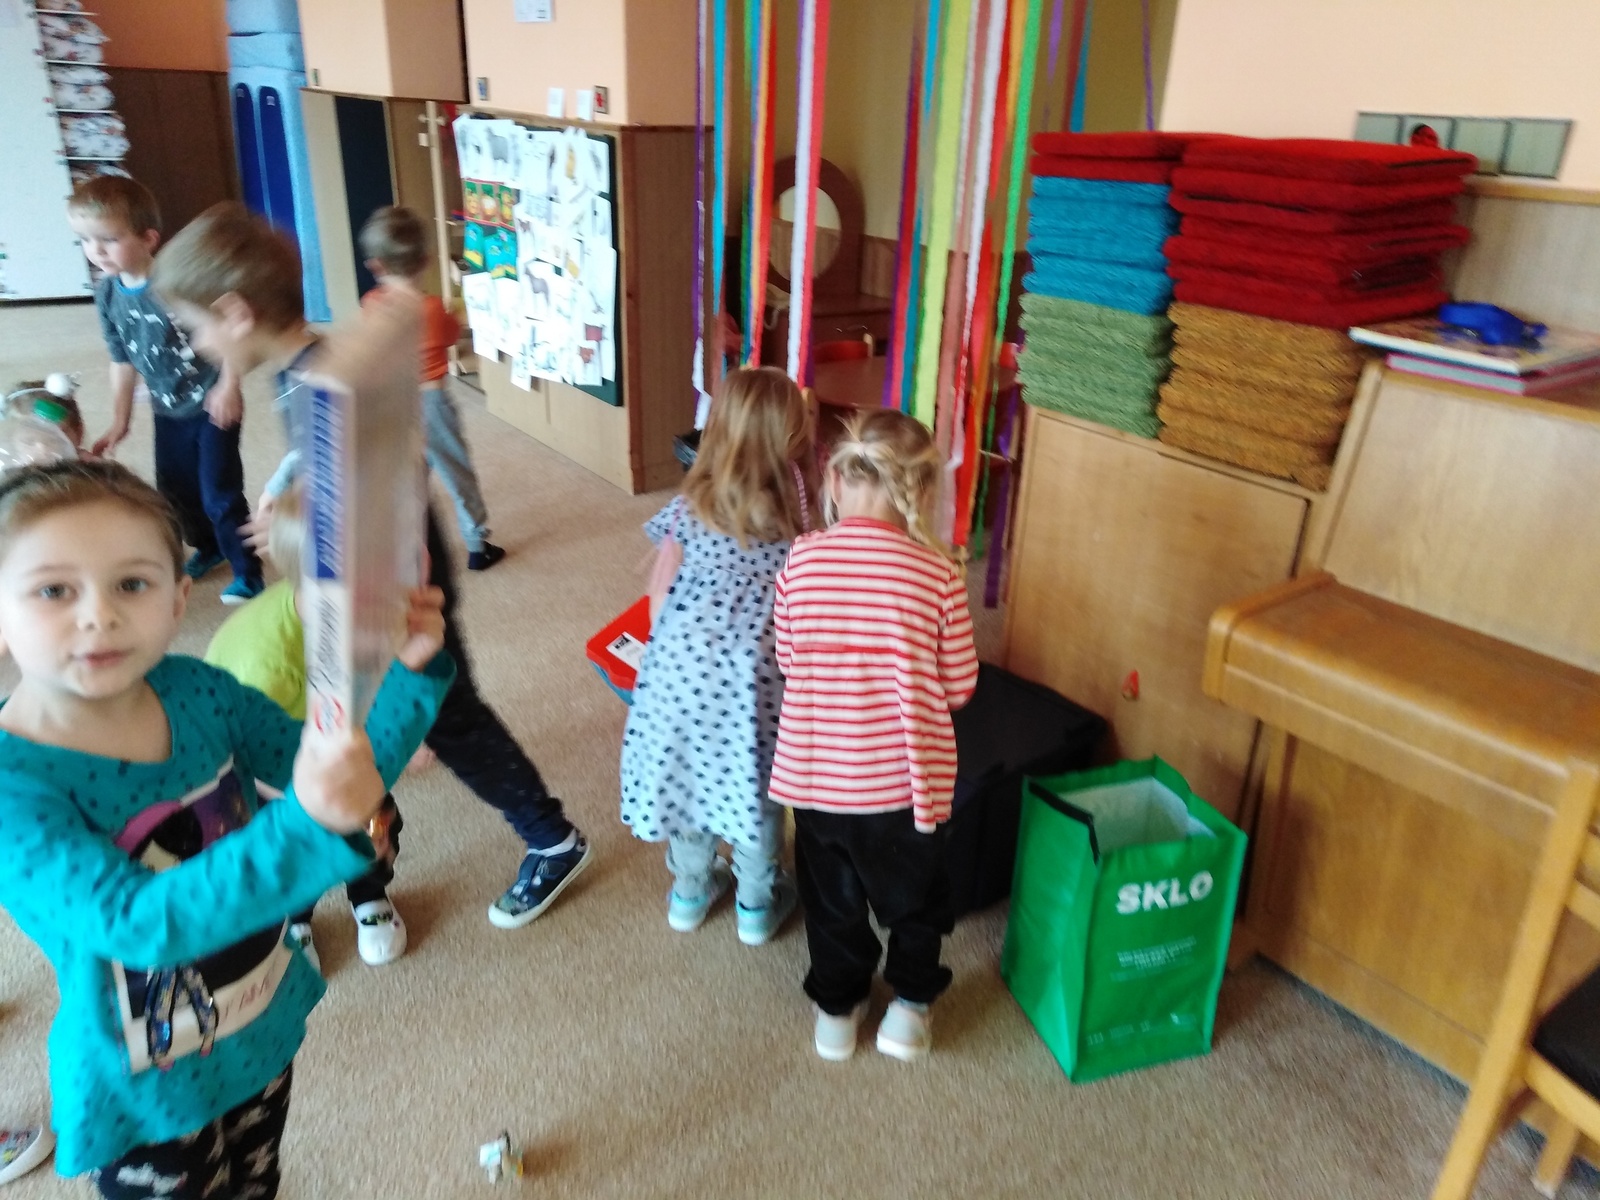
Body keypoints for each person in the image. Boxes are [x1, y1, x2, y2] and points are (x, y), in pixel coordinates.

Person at [0, 459, 452, 1197]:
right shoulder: (13, 785)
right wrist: (309, 826)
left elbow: (332, 772)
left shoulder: (200, 692)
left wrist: (412, 672)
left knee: (257, 1183)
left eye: (132, 583)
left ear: (180, 598)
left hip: (257, 1023)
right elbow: (136, 922)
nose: (98, 615)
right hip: (145, 1092)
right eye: (54, 590)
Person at [151, 202, 594, 929]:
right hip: (409, 547)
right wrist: (293, 494)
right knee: (444, 706)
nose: (197, 344)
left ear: (234, 312)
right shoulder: (316, 367)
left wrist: (309, 542)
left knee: (451, 714)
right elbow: (348, 474)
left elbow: (354, 521)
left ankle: (553, 838)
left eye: (195, 327)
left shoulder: (320, 389)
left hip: (399, 575)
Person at [770, 408, 979, 1063]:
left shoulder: (801, 561)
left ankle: (837, 1011)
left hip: (817, 785)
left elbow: (788, 659)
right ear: (923, 491)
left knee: (831, 902)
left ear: (835, 481)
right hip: (905, 791)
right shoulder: (938, 575)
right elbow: (959, 686)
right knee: (915, 902)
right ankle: (909, 1010)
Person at [619, 367, 814, 944]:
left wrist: (665, 659)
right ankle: (756, 904)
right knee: (755, 789)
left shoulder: (690, 505)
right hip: (757, 686)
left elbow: (658, 599)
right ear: (790, 438)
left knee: (690, 779)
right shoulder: (798, 517)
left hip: (682, 677)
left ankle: (690, 891)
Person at [205, 485, 408, 968]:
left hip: (321, 732)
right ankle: (295, 915)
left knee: (376, 817)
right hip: (262, 766)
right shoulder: (267, 668)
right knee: (297, 842)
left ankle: (369, 893)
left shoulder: (336, 613)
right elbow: (259, 767)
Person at [66, 176, 264, 604]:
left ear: (148, 238)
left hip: (212, 403)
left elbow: (228, 332)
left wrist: (230, 385)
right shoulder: (107, 294)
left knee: (219, 493)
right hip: (167, 407)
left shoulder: (177, 285)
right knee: (176, 492)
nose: (96, 251)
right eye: (85, 240)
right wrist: (120, 419)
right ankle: (209, 547)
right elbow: (121, 359)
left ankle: (248, 571)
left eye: (109, 239)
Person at [359, 205, 505, 570]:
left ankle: (410, 545)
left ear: (376, 265)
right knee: (457, 473)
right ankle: (477, 544)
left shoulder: (370, 305)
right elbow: (452, 336)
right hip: (431, 402)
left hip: (391, 404)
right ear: (425, 261)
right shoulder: (432, 309)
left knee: (408, 478)